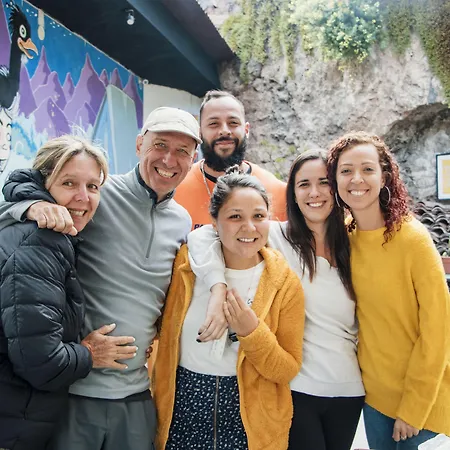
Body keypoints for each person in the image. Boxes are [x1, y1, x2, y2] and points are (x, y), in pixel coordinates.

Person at [0, 107, 201, 450]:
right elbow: (17, 199)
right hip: (76, 389)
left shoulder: (182, 221)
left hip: (137, 392)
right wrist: (30, 206)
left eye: (182, 150)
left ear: (193, 158)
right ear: (139, 145)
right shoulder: (97, 194)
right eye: (160, 145)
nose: (169, 159)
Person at [187, 150, 365, 450]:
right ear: (292, 193)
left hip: (348, 388)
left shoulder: (355, 245)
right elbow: (204, 236)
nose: (314, 192)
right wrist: (218, 288)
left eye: (324, 182)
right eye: (303, 184)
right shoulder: (276, 235)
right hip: (295, 388)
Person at [0, 135, 138, 450]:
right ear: (44, 183)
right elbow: (41, 364)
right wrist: (89, 353)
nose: (83, 197)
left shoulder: (45, 235)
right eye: (69, 183)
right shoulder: (38, 243)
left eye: (93, 186)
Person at [154, 168, 305, 450]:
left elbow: (286, 370)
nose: (249, 227)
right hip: (182, 407)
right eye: (235, 216)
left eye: (258, 216)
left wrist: (252, 332)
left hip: (250, 419)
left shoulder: (283, 283)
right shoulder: (186, 267)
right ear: (214, 221)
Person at [327, 131, 450, 450]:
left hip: (421, 401)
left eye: (367, 169)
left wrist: (414, 408)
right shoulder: (345, 239)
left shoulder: (413, 240)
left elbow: (438, 331)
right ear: (335, 180)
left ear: (384, 177)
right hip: (374, 398)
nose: (356, 179)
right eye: (346, 170)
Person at [174, 90, 287, 229]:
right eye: (214, 124)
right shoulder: (175, 189)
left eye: (233, 123)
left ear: (246, 130)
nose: (224, 131)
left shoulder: (279, 192)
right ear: (200, 132)